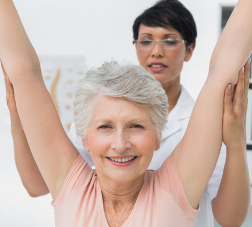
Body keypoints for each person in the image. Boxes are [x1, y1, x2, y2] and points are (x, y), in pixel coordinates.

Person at [4, 1, 251, 227]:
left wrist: (236, 143)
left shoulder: (174, 192)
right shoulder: (72, 188)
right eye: (105, 127)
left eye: (136, 126)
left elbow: (222, 70)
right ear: (84, 139)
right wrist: (19, 124)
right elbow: (25, 72)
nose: (120, 144)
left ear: (157, 135)